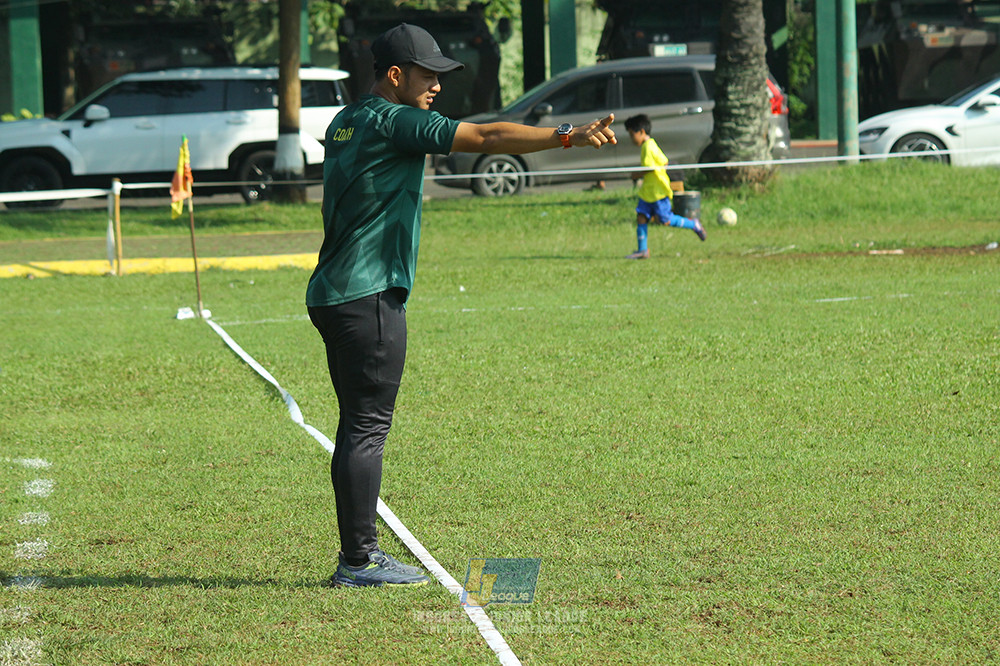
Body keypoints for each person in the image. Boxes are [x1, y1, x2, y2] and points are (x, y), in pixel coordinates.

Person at [305, 23, 616, 588]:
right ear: (396, 75)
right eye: (428, 76)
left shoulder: (343, 119)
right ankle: (359, 560)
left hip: (332, 292)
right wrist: (565, 135)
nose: (437, 88)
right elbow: (489, 137)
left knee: (356, 426)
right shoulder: (396, 119)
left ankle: (357, 556)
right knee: (367, 429)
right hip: (368, 293)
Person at [623, 114, 705, 259]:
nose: (631, 138)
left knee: (665, 220)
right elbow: (664, 161)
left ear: (641, 131)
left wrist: (636, 174)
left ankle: (693, 224)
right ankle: (642, 250)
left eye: (632, 134)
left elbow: (650, 168)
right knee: (641, 217)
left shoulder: (648, 147)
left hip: (658, 192)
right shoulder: (651, 144)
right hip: (648, 192)